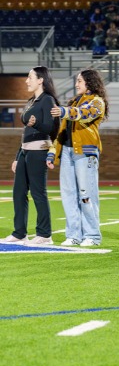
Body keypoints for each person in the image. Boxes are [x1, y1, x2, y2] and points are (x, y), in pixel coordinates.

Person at [47, 69, 109, 247]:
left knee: (86, 194)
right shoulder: (74, 102)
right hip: (67, 152)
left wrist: (64, 111)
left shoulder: (97, 102)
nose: (76, 84)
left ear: (90, 82)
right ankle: (73, 235)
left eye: (80, 81)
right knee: (68, 195)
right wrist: (52, 152)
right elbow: (62, 131)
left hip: (85, 153)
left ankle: (92, 235)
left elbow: (84, 114)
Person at [0, 67, 60, 245]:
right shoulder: (31, 101)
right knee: (18, 192)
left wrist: (37, 123)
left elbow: (51, 128)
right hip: (25, 151)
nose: (27, 81)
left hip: (39, 151)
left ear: (41, 80)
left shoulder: (48, 100)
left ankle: (45, 234)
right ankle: (19, 233)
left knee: (38, 192)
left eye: (30, 77)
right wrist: (17, 156)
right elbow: (26, 132)